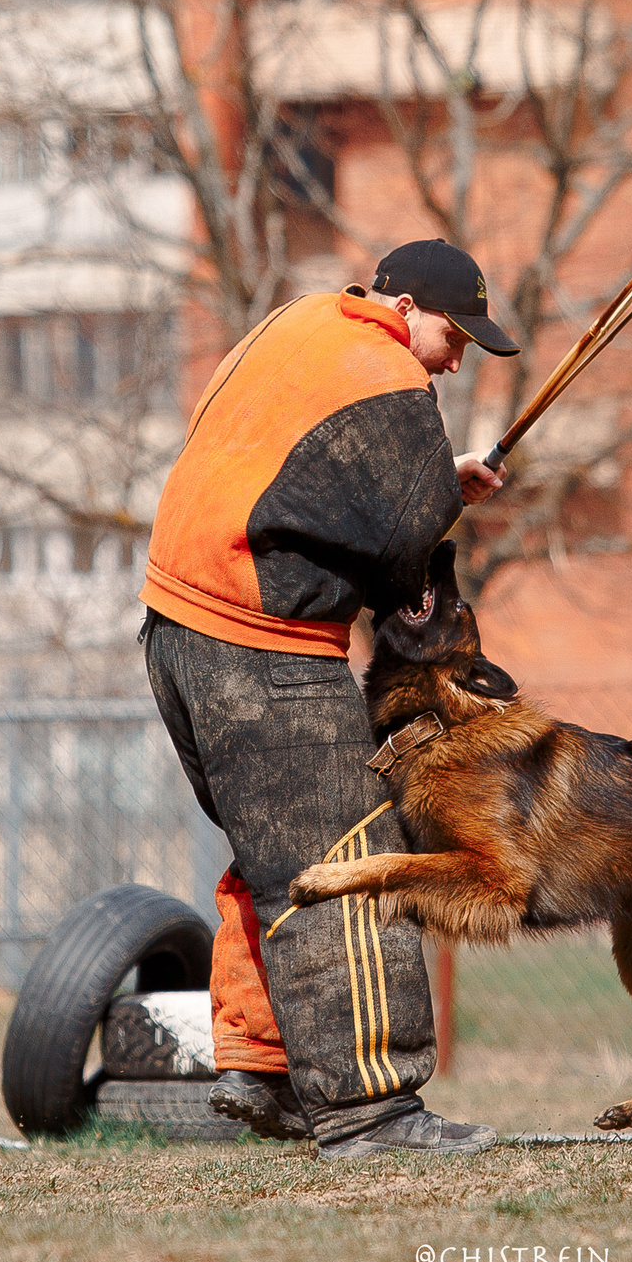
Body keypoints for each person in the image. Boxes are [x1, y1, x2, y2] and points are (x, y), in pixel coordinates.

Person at [139, 240, 518, 1158]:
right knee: (353, 858)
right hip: (262, 648)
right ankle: (372, 1112)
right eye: (454, 332)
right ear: (408, 306)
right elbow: (401, 561)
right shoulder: (389, 379)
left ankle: (264, 1070)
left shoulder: (296, 325)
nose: (459, 354)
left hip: (174, 632)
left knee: (278, 861)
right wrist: (437, 507)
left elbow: (307, 475)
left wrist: (435, 482)